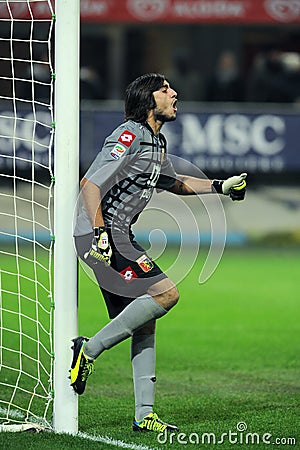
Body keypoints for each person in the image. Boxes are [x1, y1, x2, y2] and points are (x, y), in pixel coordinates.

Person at [71, 73, 247, 433]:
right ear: (148, 100)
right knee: (166, 293)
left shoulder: (156, 142)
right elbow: (89, 183)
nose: (175, 94)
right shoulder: (129, 134)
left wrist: (220, 186)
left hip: (118, 234)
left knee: (144, 318)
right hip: (101, 234)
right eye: (166, 90)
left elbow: (176, 183)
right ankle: (87, 351)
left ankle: (144, 415)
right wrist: (102, 232)